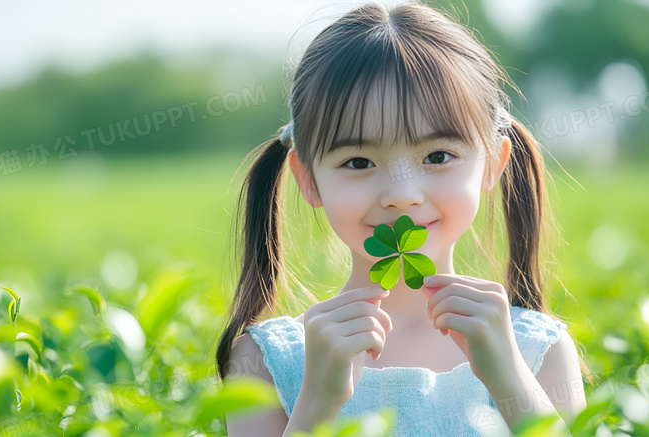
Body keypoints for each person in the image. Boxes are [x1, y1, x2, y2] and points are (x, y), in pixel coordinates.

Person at [216, 2, 592, 436]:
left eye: (438, 156)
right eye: (358, 162)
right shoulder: (265, 362)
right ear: (308, 179)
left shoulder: (535, 349)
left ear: (492, 164)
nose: (401, 196)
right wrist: (317, 403)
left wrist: (509, 379)